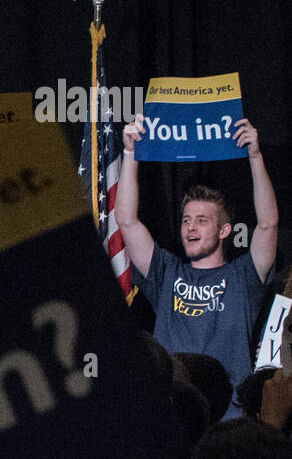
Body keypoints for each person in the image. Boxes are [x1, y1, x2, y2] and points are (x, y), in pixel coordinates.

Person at [116, 116, 279, 418]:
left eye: (202, 221)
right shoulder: (165, 272)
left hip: (229, 422)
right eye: (187, 220)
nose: (191, 227)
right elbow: (126, 221)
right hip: (173, 416)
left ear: (224, 231)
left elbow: (268, 224)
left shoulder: (243, 277)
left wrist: (255, 156)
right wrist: (129, 153)